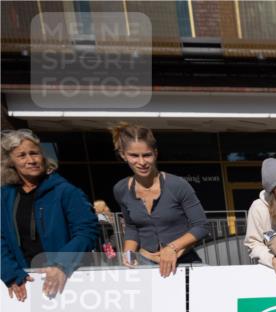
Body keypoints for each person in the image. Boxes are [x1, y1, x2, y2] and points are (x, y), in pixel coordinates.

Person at [1, 129, 99, 301]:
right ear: (11, 162)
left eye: (34, 153)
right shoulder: (5, 196)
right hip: (25, 283)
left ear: (43, 156)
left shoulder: (66, 191)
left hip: (68, 279)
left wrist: (61, 264)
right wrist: (10, 272)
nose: (31, 160)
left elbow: (87, 231)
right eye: (22, 156)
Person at [111, 124, 210, 277]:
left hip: (183, 261)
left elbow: (202, 226)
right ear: (123, 155)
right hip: (144, 264)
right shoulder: (121, 189)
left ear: (156, 153)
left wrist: (172, 248)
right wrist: (129, 254)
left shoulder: (178, 185)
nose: (142, 162)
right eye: (134, 155)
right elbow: (132, 227)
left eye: (147, 155)